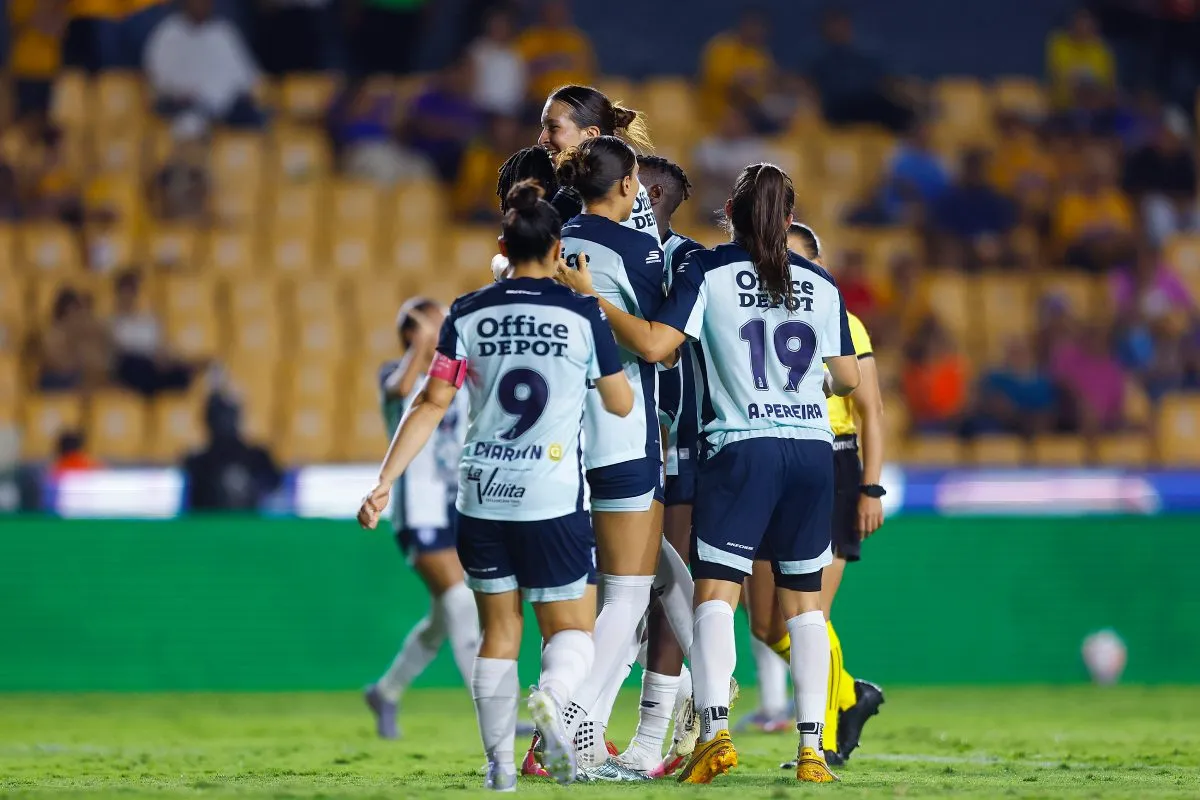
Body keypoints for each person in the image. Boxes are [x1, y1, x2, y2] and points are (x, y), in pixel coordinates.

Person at [556, 163, 861, 784]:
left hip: (741, 447)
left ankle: (715, 733)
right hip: (811, 449)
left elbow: (653, 346)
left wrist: (595, 299)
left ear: (732, 215)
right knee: (806, 609)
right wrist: (811, 385)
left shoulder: (708, 269)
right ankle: (811, 750)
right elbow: (848, 379)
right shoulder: (820, 282)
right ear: (789, 217)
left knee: (715, 593)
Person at [357, 180, 633, 791]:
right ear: (558, 247)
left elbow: (430, 403)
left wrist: (384, 483)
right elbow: (618, 402)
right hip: (551, 494)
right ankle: (554, 702)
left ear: (503, 244)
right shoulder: (582, 313)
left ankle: (500, 769)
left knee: (499, 632)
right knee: (571, 631)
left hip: (481, 495)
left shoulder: (465, 313)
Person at [742, 224, 887, 770]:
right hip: (771, 452)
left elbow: (871, 409)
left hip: (830, 459)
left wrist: (870, 485)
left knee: (811, 614)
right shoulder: (755, 316)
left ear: (819, 266)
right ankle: (849, 694)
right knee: (765, 624)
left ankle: (821, 740)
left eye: (798, 261)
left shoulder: (845, 322)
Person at [551, 137, 670, 777]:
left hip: (562, 438)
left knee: (587, 588)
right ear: (628, 186)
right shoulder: (639, 250)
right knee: (628, 590)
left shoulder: (553, 236)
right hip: (622, 426)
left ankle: (581, 730)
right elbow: (659, 343)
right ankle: (573, 716)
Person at [614, 155, 705, 779]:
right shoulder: (614, 246)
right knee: (642, 585)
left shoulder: (692, 261)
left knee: (661, 583)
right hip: (629, 434)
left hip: (684, 441)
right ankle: (701, 700)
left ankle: (655, 734)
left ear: (651, 194)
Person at [363, 298, 479, 741]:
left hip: (457, 503)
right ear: (412, 332)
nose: (440, 328)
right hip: (418, 509)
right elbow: (398, 390)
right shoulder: (397, 374)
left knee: (441, 619)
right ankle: (496, 715)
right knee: (458, 603)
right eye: (431, 323)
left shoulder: (454, 374)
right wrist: (420, 344)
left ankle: (385, 692)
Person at [537, 85, 658, 240]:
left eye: (553, 128)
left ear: (591, 135)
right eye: (543, 127)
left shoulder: (593, 189)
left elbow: (529, 256)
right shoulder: (622, 175)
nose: (542, 139)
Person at [144, 0, 264, 134]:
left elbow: (247, 78)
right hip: (182, 107)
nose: (201, 6)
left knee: (253, 118)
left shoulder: (223, 32)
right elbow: (158, 78)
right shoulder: (168, 33)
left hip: (223, 110)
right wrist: (185, 94)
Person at [182, 392, 282, 511]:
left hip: (245, 526)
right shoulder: (196, 462)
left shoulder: (259, 457)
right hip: (215, 526)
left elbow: (275, 489)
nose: (224, 422)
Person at [514, 0, 597, 105]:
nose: (555, 13)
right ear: (542, 12)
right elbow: (518, 72)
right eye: (551, 9)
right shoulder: (529, 39)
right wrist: (548, 63)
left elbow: (590, 72)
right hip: (539, 102)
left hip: (575, 103)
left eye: (559, 9)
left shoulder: (577, 40)